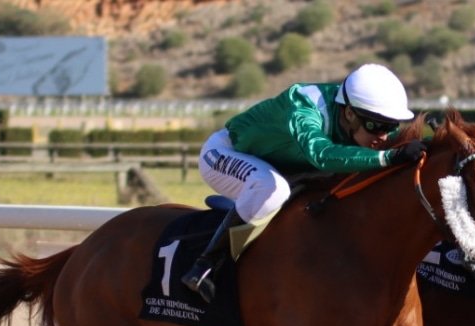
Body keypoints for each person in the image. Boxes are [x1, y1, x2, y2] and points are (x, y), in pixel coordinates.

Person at [182, 63, 426, 302]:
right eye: (376, 126)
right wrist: (388, 157)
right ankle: (205, 265)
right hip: (224, 154)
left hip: (279, 165)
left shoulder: (357, 119)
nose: (383, 136)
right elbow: (320, 154)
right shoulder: (304, 103)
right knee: (272, 189)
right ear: (349, 113)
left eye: (391, 126)